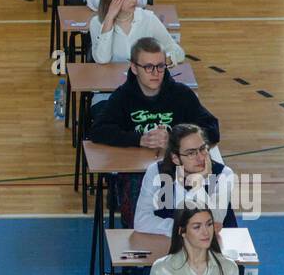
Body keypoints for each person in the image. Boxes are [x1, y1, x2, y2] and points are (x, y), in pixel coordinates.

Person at [88, 37, 221, 223]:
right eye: (148, 67)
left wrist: (177, 139)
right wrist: (138, 139)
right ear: (134, 68)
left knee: (203, 193)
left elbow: (213, 128)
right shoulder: (123, 97)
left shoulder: (181, 95)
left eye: (160, 66)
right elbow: (97, 130)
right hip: (138, 173)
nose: (156, 73)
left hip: (179, 171)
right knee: (140, 211)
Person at [134, 124, 238, 236]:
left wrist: (198, 184)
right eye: (191, 153)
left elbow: (214, 220)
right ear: (176, 159)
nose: (201, 157)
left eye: (203, 149)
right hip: (168, 243)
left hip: (214, 245)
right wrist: (183, 229)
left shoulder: (223, 174)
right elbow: (141, 220)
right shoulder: (156, 172)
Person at [89, 0, 183, 72]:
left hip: (144, 83)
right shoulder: (96, 23)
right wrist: (109, 19)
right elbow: (102, 59)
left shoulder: (148, 18)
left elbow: (178, 52)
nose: (134, 0)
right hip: (111, 83)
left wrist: (165, 59)